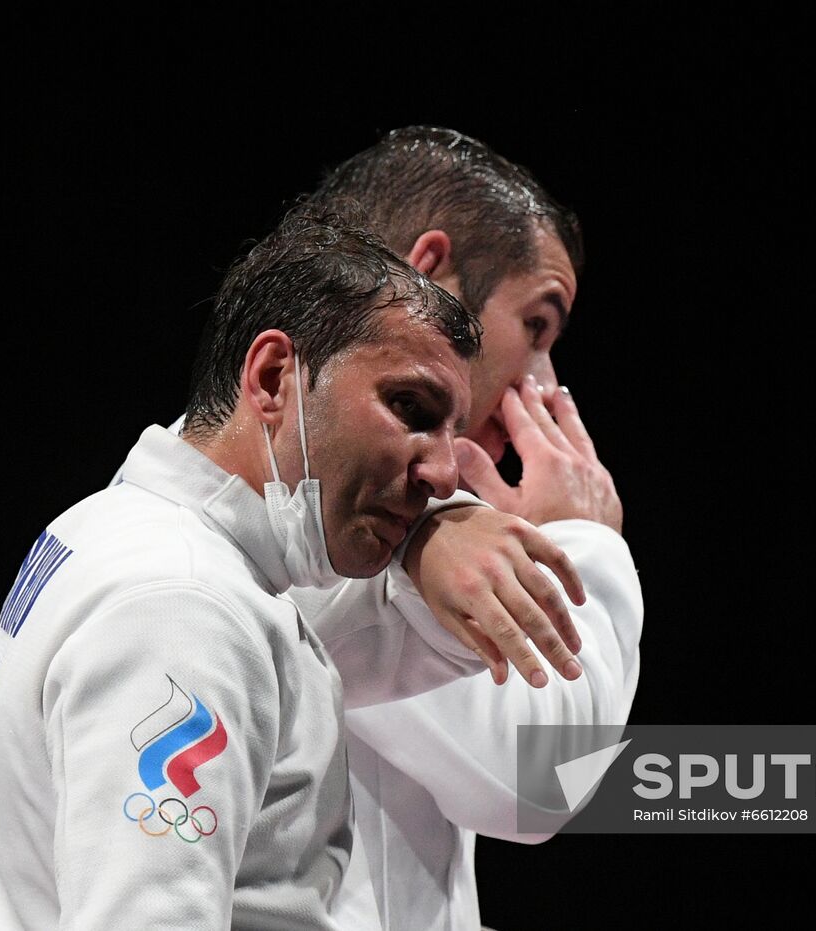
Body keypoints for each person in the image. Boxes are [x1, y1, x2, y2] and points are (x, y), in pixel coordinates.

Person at [0, 208, 581, 928]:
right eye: (409, 407)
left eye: (450, 429)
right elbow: (550, 770)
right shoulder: (184, 607)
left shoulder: (124, 530)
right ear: (270, 377)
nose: (445, 471)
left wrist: (436, 538)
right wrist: (591, 544)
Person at [292, 127, 645, 929]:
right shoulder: (329, 527)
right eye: (537, 327)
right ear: (430, 278)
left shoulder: (384, 523)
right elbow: (542, 776)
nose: (543, 383)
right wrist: (589, 542)